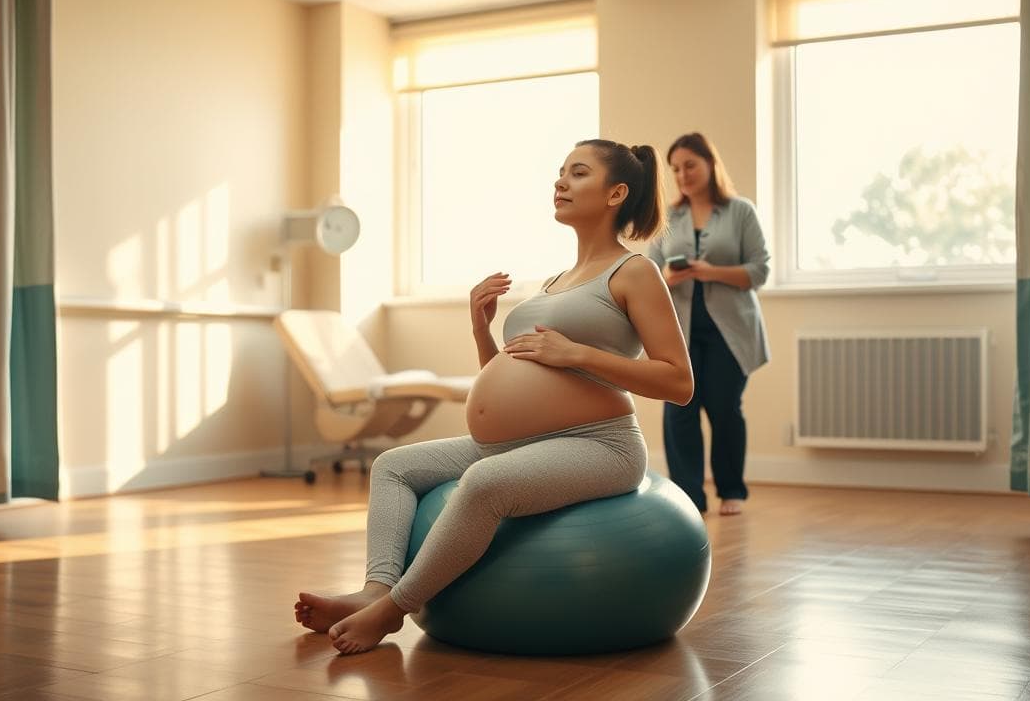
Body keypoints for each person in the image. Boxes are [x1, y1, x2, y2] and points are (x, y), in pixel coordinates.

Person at [294, 139, 694, 655]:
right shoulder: (554, 282)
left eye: (577, 173)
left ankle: (392, 611)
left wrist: (577, 354)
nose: (560, 182)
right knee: (392, 465)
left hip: (600, 445)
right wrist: (482, 328)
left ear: (616, 193)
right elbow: (509, 381)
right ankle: (373, 590)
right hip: (520, 443)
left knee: (483, 483)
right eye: (559, 172)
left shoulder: (635, 272)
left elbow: (678, 382)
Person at [647, 132, 770, 516]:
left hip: (730, 333)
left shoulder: (740, 211)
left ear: (710, 164)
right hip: (679, 333)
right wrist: (668, 276)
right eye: (676, 169)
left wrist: (710, 271)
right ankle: (688, 497)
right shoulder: (669, 217)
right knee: (679, 411)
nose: (682, 174)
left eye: (690, 165)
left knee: (724, 408)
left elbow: (759, 270)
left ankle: (731, 489)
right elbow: (648, 275)